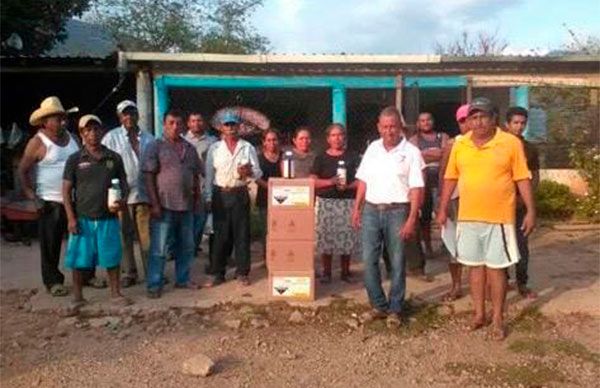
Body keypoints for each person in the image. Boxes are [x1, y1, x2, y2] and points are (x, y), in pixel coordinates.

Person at [436, 97, 536, 340]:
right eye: (473, 117)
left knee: (497, 269)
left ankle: (498, 319)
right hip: (468, 217)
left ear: (494, 119)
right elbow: (451, 177)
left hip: (499, 218)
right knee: (474, 268)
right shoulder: (460, 145)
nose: (478, 121)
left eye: (483, 116)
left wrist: (531, 210)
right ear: (468, 121)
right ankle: (479, 314)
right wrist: (441, 208)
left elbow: (522, 177)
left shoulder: (510, 143)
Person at [351, 106, 425, 325]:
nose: (389, 131)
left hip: (398, 211)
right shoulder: (373, 148)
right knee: (368, 259)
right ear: (378, 127)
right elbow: (363, 180)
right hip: (372, 210)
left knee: (397, 260)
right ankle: (378, 305)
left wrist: (412, 219)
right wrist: (357, 208)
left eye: (393, 126)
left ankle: (395, 308)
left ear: (400, 127)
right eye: (385, 127)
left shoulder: (411, 152)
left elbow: (416, 188)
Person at [62, 115, 131, 311]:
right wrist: (70, 218)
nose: (92, 134)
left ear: (102, 132)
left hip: (108, 218)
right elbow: (66, 191)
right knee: (78, 259)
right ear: (82, 134)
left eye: (96, 129)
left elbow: (124, 185)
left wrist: (122, 200)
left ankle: (115, 293)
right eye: (88, 130)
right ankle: (78, 297)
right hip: (83, 219)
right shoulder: (75, 159)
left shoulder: (113, 158)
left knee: (112, 258)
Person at [18, 97, 80, 297]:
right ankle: (53, 281)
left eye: (63, 118)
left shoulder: (72, 138)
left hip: (75, 199)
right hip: (50, 201)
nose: (63, 121)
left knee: (81, 241)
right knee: (50, 244)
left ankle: (85, 276)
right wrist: (31, 196)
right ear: (45, 122)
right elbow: (23, 171)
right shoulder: (37, 142)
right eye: (57, 118)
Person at [143, 109, 201, 298]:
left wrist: (197, 200)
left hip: (186, 206)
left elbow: (195, 177)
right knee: (159, 248)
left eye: (178, 123)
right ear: (164, 125)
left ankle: (182, 280)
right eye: (171, 123)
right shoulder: (155, 146)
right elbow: (149, 176)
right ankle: (154, 284)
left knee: (187, 246)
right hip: (164, 205)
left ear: (183, 126)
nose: (175, 127)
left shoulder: (190, 149)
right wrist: (154, 204)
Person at [204, 111, 262, 287]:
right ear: (222, 127)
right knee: (220, 235)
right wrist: (208, 196)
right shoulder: (215, 148)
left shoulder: (247, 148)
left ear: (239, 127)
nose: (230, 129)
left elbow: (258, 172)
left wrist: (250, 172)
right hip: (220, 193)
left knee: (242, 234)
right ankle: (217, 273)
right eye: (227, 125)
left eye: (233, 125)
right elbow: (209, 174)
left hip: (239, 192)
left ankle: (242, 272)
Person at [102, 100, 155, 288]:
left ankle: (151, 273)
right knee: (124, 236)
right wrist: (111, 192)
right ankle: (129, 273)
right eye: (125, 113)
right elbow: (105, 165)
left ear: (137, 115)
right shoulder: (111, 137)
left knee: (146, 237)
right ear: (119, 117)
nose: (129, 117)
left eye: (132, 113)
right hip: (122, 195)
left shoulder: (149, 138)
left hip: (143, 195)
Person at [310, 123, 360, 283]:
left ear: (344, 138)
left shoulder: (353, 156)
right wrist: (330, 182)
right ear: (328, 138)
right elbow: (313, 181)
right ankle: (327, 272)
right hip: (326, 202)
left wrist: (348, 186)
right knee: (326, 237)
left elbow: (362, 181)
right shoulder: (321, 157)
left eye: (340, 135)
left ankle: (345, 272)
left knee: (346, 237)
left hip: (347, 202)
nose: (337, 138)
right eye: (333, 135)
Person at [504, 106, 540, 299]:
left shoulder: (530, 149)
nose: (519, 127)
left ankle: (522, 283)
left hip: (520, 205)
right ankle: (502, 282)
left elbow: (534, 177)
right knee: (500, 246)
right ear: (507, 124)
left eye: (522, 123)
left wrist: (527, 202)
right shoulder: (498, 146)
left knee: (521, 246)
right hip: (499, 204)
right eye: (515, 123)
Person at [438, 104, 470, 301]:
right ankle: (456, 286)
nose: (468, 124)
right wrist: (442, 203)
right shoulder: (453, 144)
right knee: (453, 244)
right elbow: (443, 174)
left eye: (471, 119)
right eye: (463, 120)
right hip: (456, 200)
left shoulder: (487, 143)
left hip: (479, 200)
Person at [410, 112, 449, 257]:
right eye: (422, 120)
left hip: (442, 182)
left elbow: (445, 155)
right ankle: (428, 247)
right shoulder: (414, 139)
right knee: (425, 217)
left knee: (444, 213)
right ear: (418, 124)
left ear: (433, 121)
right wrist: (435, 154)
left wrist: (425, 154)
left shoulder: (443, 137)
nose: (425, 123)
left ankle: (447, 245)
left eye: (428, 120)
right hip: (423, 183)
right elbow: (415, 157)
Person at [184, 111, 218, 253]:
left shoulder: (213, 142)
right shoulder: (182, 140)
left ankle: (193, 246)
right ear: (188, 123)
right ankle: (182, 248)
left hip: (205, 187)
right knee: (186, 221)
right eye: (193, 121)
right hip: (186, 188)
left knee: (201, 220)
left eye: (199, 120)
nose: (196, 123)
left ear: (203, 123)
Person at [255, 128, 282, 261]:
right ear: (264, 142)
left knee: (282, 230)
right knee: (267, 231)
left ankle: (280, 256)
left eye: (274, 140)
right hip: (264, 198)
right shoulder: (258, 159)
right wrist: (270, 187)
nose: (272, 143)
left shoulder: (285, 157)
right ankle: (268, 258)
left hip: (283, 199)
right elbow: (256, 177)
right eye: (269, 140)